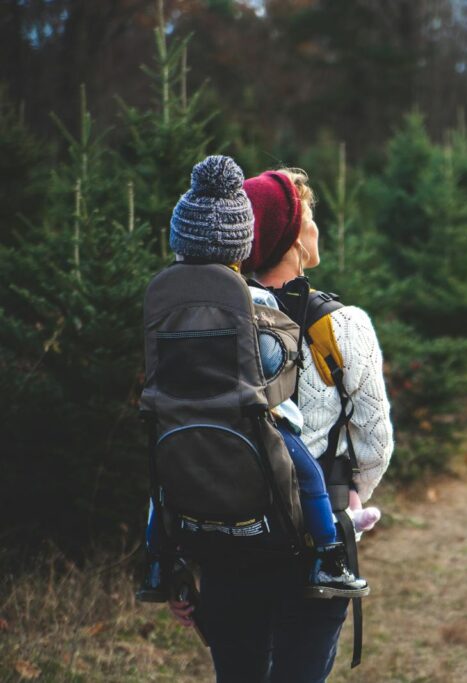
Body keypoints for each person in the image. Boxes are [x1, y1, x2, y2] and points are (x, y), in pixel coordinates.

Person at [168, 165, 394, 682]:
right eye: (310, 215)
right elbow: (375, 443)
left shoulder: (208, 323)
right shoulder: (342, 325)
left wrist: (178, 552)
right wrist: (349, 500)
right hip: (311, 550)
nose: (317, 225)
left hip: (225, 541)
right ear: (292, 235)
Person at [136, 155, 369, 605]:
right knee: (306, 473)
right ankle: (329, 557)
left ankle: (157, 563)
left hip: (176, 415)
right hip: (247, 415)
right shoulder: (252, 298)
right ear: (240, 246)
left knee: (161, 483)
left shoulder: (164, 298)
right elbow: (271, 358)